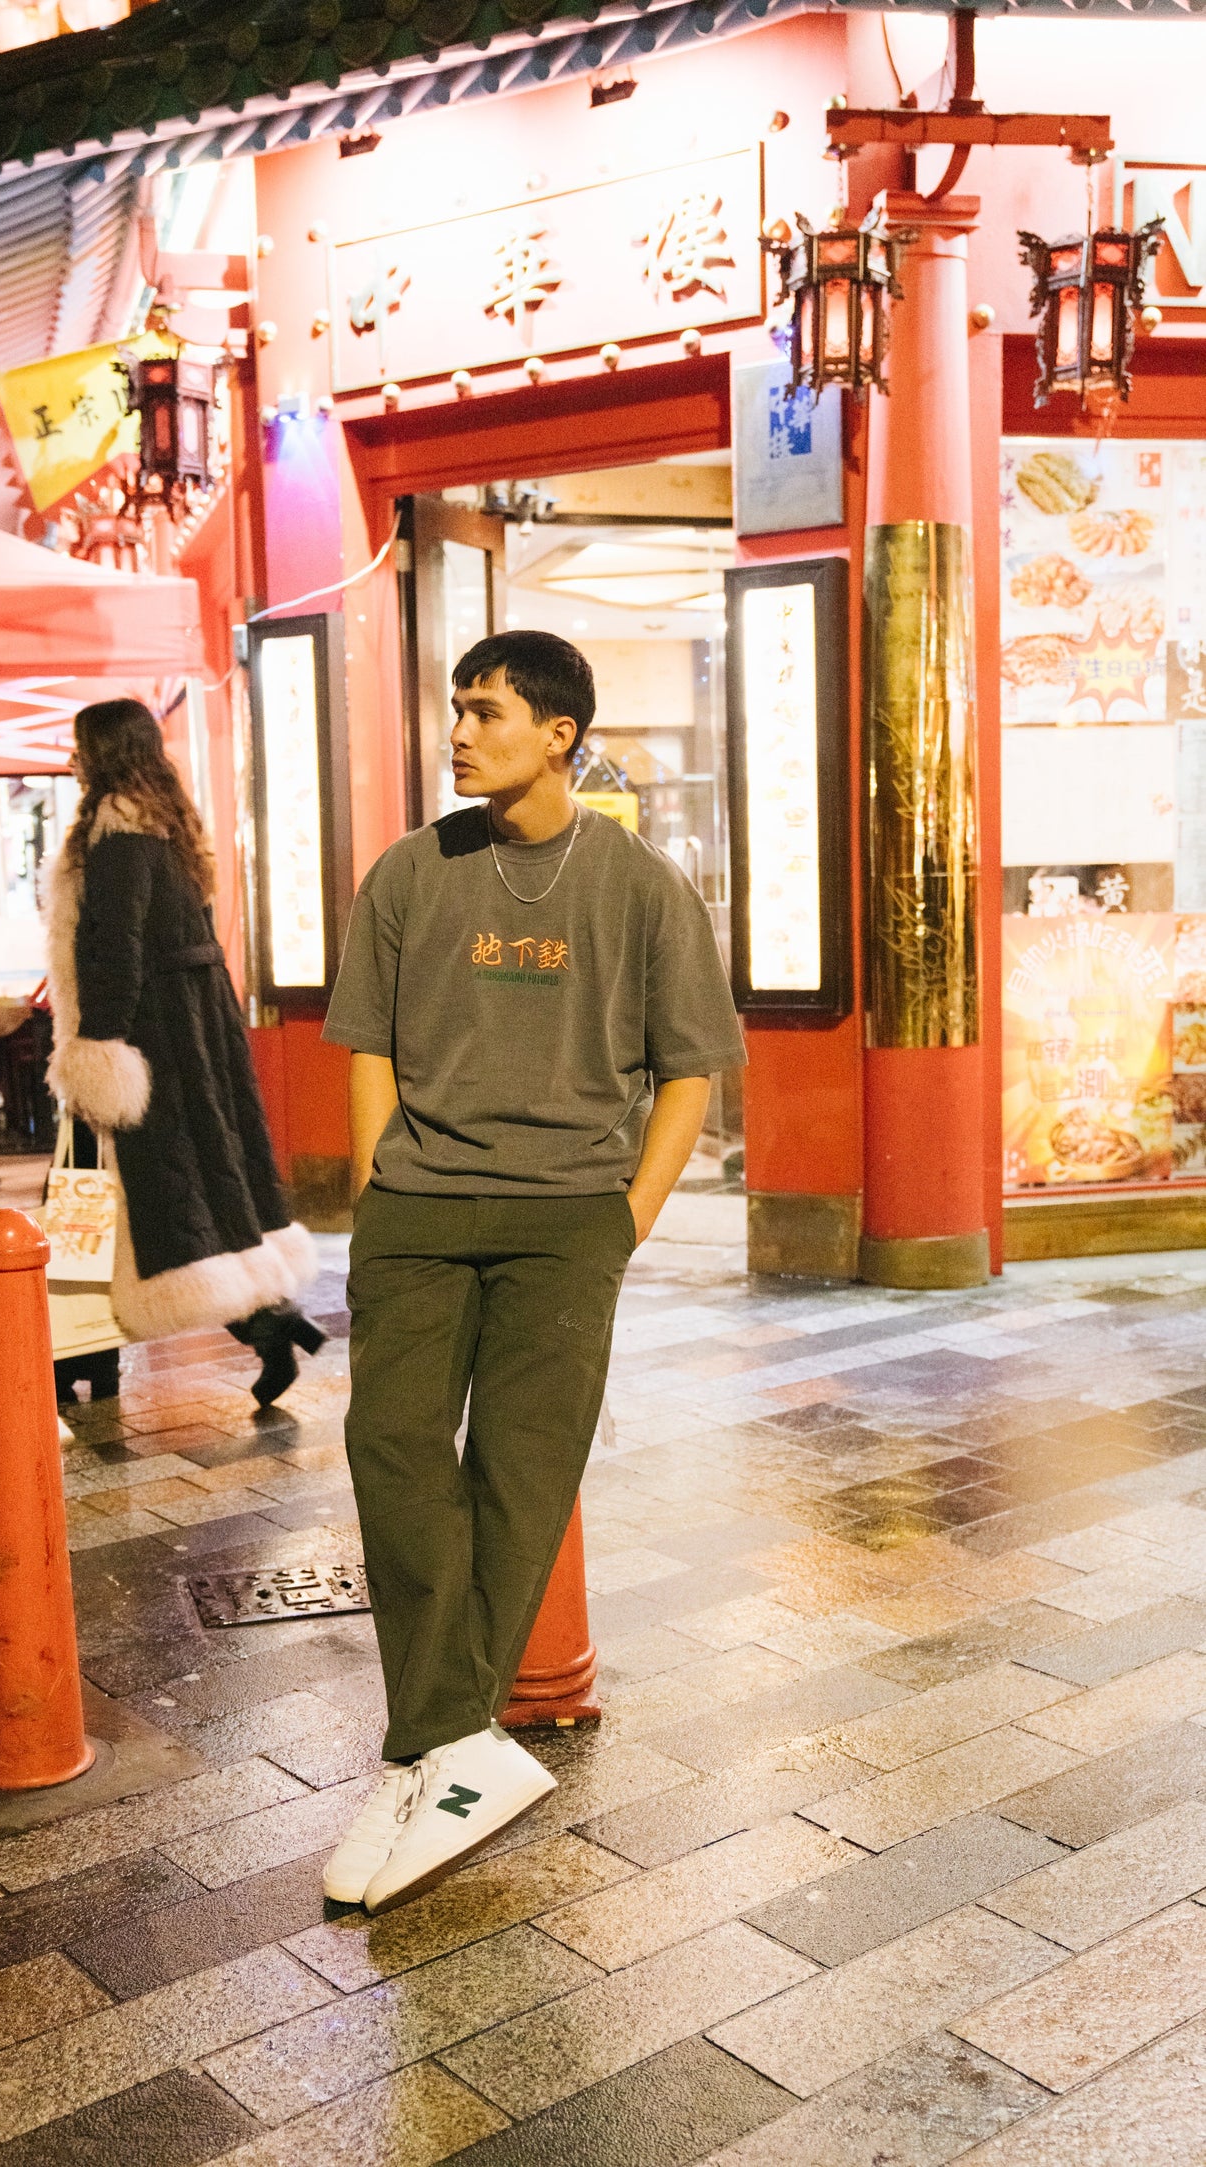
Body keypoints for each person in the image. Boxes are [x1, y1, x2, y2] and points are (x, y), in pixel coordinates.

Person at [320, 630, 744, 1913]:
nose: (458, 731)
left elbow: (689, 1071)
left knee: (519, 1475)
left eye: (484, 710)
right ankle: (448, 1743)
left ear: (558, 732)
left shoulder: (638, 885)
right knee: (390, 1449)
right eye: (454, 708)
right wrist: (376, 1175)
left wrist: (626, 1216)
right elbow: (366, 1045)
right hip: (417, 1210)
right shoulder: (408, 873)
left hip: (567, 1218)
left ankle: (430, 1750)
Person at [44, 699, 324, 1404]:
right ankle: (98, 1352)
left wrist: (98, 1045)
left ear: (101, 751)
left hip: (138, 1046)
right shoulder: (164, 822)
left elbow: (115, 946)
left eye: (79, 747)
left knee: (121, 1195)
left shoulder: (116, 829)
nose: (72, 759)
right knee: (170, 1192)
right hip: (187, 1037)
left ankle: (96, 1351)